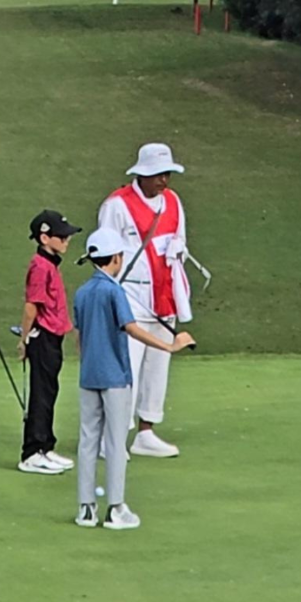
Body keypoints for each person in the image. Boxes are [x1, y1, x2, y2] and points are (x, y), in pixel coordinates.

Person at [72, 229, 195, 530]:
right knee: (115, 442)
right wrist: (169, 345)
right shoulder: (115, 291)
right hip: (115, 376)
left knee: (88, 440)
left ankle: (86, 509)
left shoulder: (82, 292)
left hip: (89, 375)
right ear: (116, 258)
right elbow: (130, 327)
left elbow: (79, 336)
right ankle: (115, 509)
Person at [97, 143, 194, 458]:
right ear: (141, 174)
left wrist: (178, 248)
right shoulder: (117, 205)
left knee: (157, 367)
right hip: (131, 296)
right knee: (128, 370)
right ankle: (111, 437)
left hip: (164, 294)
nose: (163, 181)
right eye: (157, 175)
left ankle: (146, 431)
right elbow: (104, 251)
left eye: (167, 174)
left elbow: (179, 236)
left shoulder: (173, 202)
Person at [16, 209, 83, 476]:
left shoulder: (50, 264)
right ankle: (32, 452)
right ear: (45, 238)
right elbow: (31, 307)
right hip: (41, 337)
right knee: (41, 395)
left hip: (52, 338)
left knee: (49, 393)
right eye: (61, 237)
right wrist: (24, 340)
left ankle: (45, 446)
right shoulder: (40, 266)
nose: (67, 241)